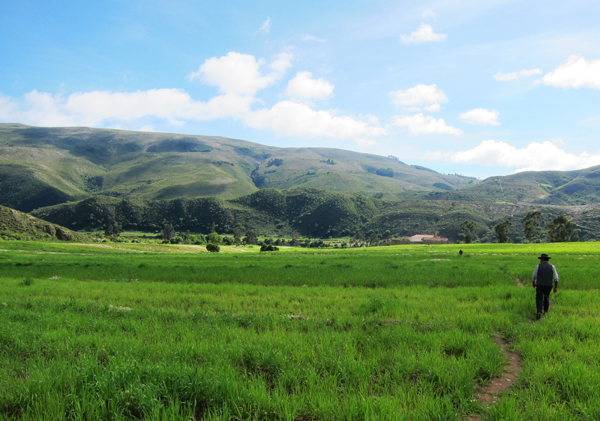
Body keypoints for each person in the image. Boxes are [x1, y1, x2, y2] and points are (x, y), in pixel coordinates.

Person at [531, 253, 559, 320]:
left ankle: (539, 311)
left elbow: (534, 276)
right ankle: (545, 311)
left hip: (540, 284)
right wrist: (555, 287)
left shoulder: (538, 266)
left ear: (542, 259)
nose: (540, 260)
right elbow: (556, 278)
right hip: (548, 285)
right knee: (546, 297)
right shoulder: (552, 267)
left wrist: (533, 283)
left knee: (539, 298)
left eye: (541, 259)